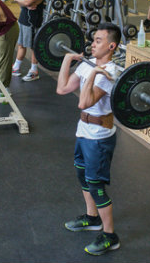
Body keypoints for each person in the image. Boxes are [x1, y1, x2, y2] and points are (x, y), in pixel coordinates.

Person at [56, 23, 122, 256]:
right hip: (83, 131)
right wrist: (67, 60)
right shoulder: (88, 65)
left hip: (100, 137)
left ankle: (110, 235)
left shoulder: (110, 73)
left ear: (111, 46)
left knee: (96, 185)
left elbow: (84, 103)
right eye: (93, 40)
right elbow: (62, 89)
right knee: (81, 174)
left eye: (99, 41)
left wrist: (93, 73)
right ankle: (92, 218)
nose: (93, 44)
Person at [12, 0, 46, 82]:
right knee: (21, 44)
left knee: (33, 46)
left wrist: (22, 1)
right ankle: (16, 67)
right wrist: (21, 1)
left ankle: (34, 71)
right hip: (23, 18)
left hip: (33, 19)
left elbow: (26, 1)